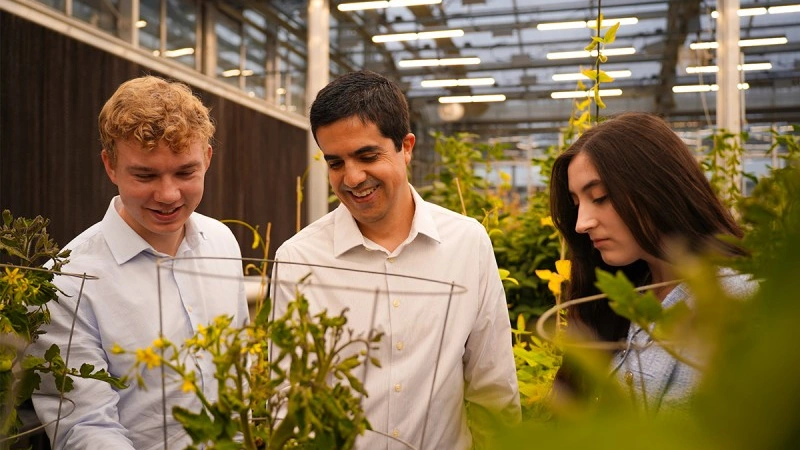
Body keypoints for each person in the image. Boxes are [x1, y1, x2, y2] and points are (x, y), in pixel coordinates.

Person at [271, 70, 520, 449]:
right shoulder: (300, 259)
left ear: (405, 147)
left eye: (367, 155)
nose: (352, 178)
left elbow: (493, 384)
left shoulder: (466, 243)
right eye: (335, 162)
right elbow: (288, 399)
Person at [32, 76, 249, 449]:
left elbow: (240, 374)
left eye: (185, 172)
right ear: (110, 166)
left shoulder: (222, 242)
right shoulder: (68, 280)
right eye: (145, 175)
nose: (168, 195)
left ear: (207, 159)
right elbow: (84, 426)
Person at [549, 112, 756, 413]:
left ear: (657, 189)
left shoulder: (734, 305)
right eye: (577, 204)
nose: (581, 223)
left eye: (601, 197)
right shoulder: (624, 296)